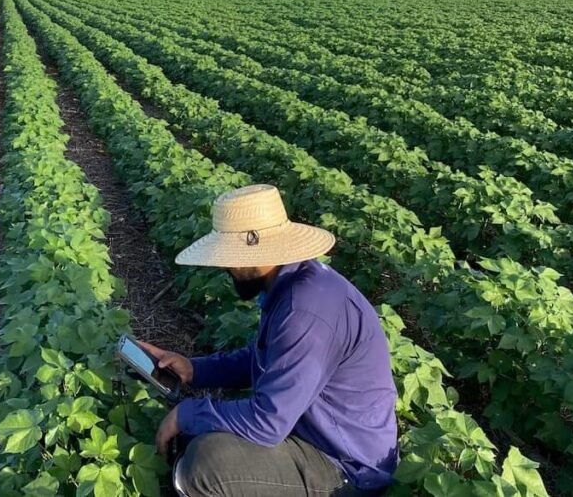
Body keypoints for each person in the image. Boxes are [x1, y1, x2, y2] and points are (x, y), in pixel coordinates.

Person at [141, 184, 398, 496]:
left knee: (205, 467)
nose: (226, 267)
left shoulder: (305, 311)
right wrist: (194, 369)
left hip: (344, 467)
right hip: (310, 433)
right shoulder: (293, 284)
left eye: (230, 257)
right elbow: (264, 357)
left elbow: (268, 422)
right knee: (197, 441)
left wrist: (188, 413)